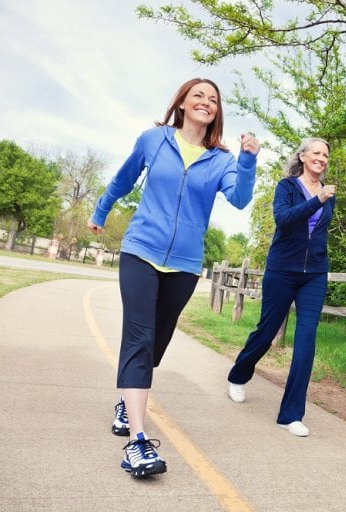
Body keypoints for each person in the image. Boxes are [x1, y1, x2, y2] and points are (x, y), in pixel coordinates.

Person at [87, 78, 260, 477]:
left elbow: (239, 198)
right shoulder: (153, 139)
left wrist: (248, 160)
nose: (206, 102)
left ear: (217, 112)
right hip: (141, 250)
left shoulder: (220, 160)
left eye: (213, 99)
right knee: (139, 336)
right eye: (198, 95)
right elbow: (123, 178)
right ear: (181, 102)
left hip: (183, 263)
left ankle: (126, 404)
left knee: (157, 342)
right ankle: (138, 442)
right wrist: (100, 212)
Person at [227, 138, 335, 437]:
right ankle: (238, 375)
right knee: (266, 332)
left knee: (306, 340)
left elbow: (320, 233)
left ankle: (291, 414)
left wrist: (322, 263)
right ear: (302, 156)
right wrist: (318, 200)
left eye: (326, 155)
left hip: (313, 274)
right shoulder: (286, 187)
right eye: (316, 153)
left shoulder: (329, 194)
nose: (322, 158)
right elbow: (283, 220)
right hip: (282, 271)